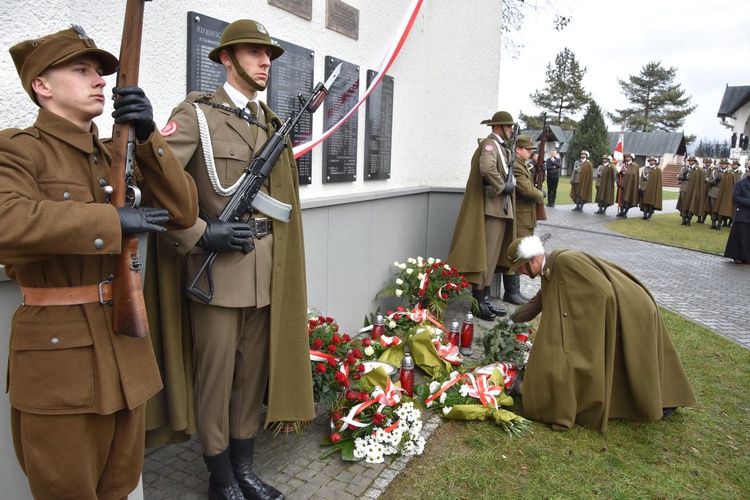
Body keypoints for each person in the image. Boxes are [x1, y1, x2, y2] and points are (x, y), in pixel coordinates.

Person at [0, 26, 198, 498]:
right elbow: (6, 221)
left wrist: (150, 138)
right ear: (41, 86)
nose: (100, 82)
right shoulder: (20, 149)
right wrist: (111, 220)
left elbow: (182, 212)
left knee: (119, 487)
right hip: (59, 358)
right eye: (81, 69)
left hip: (124, 348)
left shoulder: (116, 152)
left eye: (101, 73)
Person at [154, 19, 313, 499]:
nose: (266, 62)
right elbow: (156, 182)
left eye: (270, 55)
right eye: (254, 52)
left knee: (250, 380)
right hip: (218, 273)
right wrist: (201, 235)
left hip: (265, 272)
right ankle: (220, 478)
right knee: (216, 382)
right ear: (226, 57)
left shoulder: (269, 121)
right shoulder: (197, 115)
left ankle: (245, 469)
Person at [507, 235, 696, 432]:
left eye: (520, 267)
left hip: (631, 309)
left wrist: (579, 321)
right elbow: (540, 300)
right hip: (619, 308)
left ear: (532, 260)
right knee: (625, 361)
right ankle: (660, 399)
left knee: (637, 360)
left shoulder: (564, 262)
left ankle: (663, 402)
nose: (519, 273)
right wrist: (512, 320)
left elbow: (602, 291)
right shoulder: (551, 270)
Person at [447, 110, 517, 320]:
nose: (511, 130)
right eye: (509, 126)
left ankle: (485, 297)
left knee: (492, 257)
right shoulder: (489, 144)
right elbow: (487, 168)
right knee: (483, 256)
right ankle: (478, 300)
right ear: (499, 127)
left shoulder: (499, 146)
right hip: (492, 206)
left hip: (499, 208)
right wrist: (501, 187)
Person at [723, 173, 750, 264]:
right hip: (742, 214)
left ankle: (747, 256)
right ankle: (736, 256)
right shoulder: (740, 184)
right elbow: (736, 198)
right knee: (740, 236)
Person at [616, 152, 640, 217]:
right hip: (622, 184)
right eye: (626, 157)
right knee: (621, 199)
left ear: (631, 158)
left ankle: (625, 212)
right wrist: (618, 181)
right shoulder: (622, 165)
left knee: (628, 199)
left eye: (628, 157)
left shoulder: (635, 166)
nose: (627, 158)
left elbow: (634, 176)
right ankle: (621, 211)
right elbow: (617, 174)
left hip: (630, 185)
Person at [639, 156, 663, 220]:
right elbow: (642, 179)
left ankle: (649, 215)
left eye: (653, 161)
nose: (651, 162)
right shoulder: (645, 168)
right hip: (645, 187)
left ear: (655, 162)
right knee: (645, 202)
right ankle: (644, 214)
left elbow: (658, 181)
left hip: (653, 189)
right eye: (650, 161)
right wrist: (641, 187)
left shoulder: (658, 170)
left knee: (651, 203)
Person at [706, 158, 725, 230]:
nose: (723, 165)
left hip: (722, 193)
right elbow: (708, 182)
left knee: (720, 209)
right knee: (713, 209)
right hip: (714, 192)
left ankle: (719, 225)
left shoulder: (728, 173)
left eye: (725, 164)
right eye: (722, 164)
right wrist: (715, 181)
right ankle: (713, 224)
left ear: (727, 165)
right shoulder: (714, 172)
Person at [677, 156, 696, 225]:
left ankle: (689, 219)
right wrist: (684, 175)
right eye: (689, 161)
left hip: (693, 189)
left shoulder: (697, 169)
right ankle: (683, 219)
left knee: (691, 204)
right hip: (684, 188)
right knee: (683, 204)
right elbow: (679, 177)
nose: (690, 162)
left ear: (694, 161)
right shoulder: (684, 168)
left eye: (692, 160)